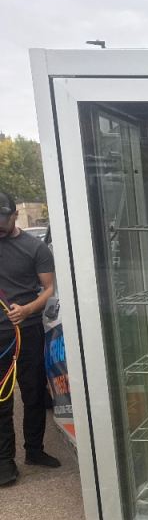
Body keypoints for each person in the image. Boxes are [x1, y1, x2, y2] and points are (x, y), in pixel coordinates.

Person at [0, 190, 60, 486]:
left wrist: (27, 310)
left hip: (27, 331)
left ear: (14, 215)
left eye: (3, 220)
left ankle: (34, 450)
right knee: (2, 398)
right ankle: (4, 461)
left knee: (34, 392)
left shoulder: (35, 248)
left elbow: (48, 289)